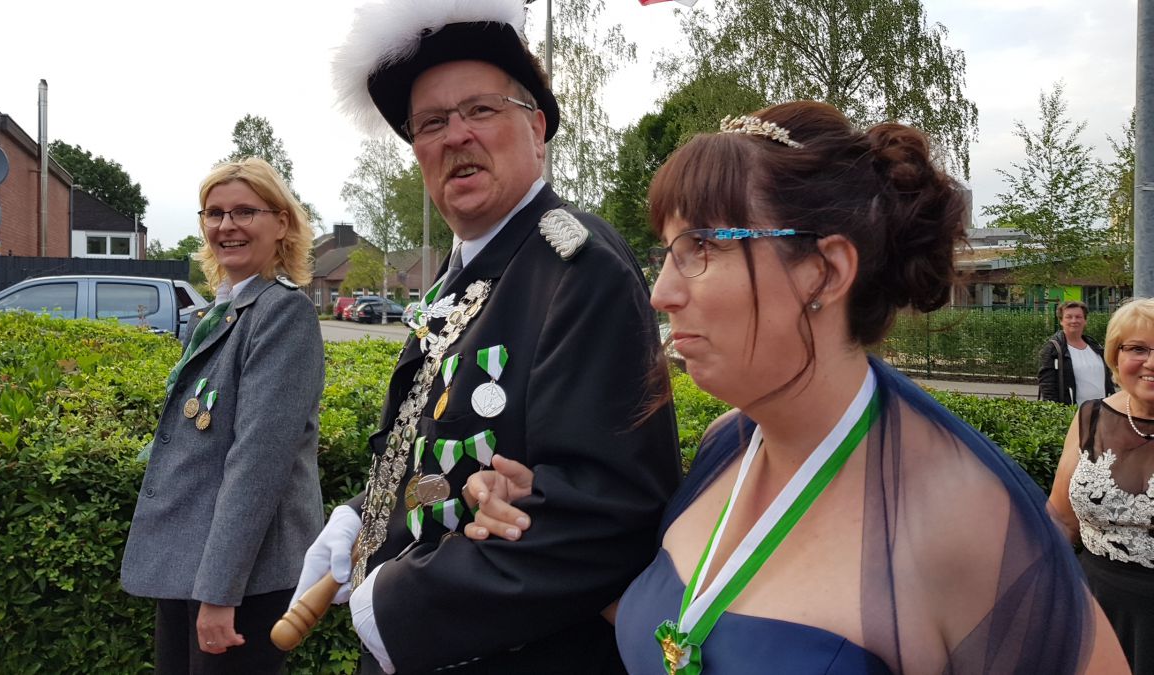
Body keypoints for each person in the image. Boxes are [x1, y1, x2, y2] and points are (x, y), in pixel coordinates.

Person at [465, 102, 1129, 674]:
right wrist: (544, 518)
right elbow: (680, 623)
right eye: (667, 252)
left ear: (825, 271)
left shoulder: (966, 517)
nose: (662, 292)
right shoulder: (727, 443)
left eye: (701, 247)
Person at [290, 1, 680, 673]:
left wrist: (397, 606)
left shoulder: (576, 266)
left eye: (480, 109)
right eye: (432, 122)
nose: (456, 136)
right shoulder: (461, 274)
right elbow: (436, 456)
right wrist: (362, 515)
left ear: (536, 127)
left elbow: (604, 515)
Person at [121, 157, 325, 674]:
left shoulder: (282, 313)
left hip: (242, 579)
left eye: (244, 212)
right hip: (193, 563)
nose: (226, 226)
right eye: (214, 213)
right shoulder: (218, 314)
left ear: (281, 224)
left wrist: (218, 591)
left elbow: (258, 463)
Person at [1048, 297, 1154, 673]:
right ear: (1115, 356)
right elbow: (1061, 520)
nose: (1151, 362)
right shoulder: (1090, 417)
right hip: (1095, 609)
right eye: (1137, 348)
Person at [1039, 300, 1115, 404]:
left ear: (1085, 320)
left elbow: (1108, 381)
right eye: (1069, 317)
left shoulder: (1096, 347)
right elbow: (1048, 386)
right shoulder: (1054, 349)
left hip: (1101, 410)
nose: (1074, 320)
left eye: (1078, 317)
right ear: (1061, 321)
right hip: (1073, 411)